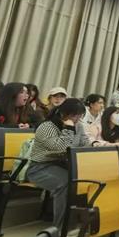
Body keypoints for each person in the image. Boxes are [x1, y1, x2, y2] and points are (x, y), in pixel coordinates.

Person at [26, 98, 92, 229]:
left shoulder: (78, 125)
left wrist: (93, 145)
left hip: (63, 166)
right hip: (39, 168)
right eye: (74, 115)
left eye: (80, 115)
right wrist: (69, 128)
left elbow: (85, 143)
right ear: (63, 114)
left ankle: (80, 222)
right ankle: (60, 227)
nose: (77, 119)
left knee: (84, 179)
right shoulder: (47, 127)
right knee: (65, 182)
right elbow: (61, 148)